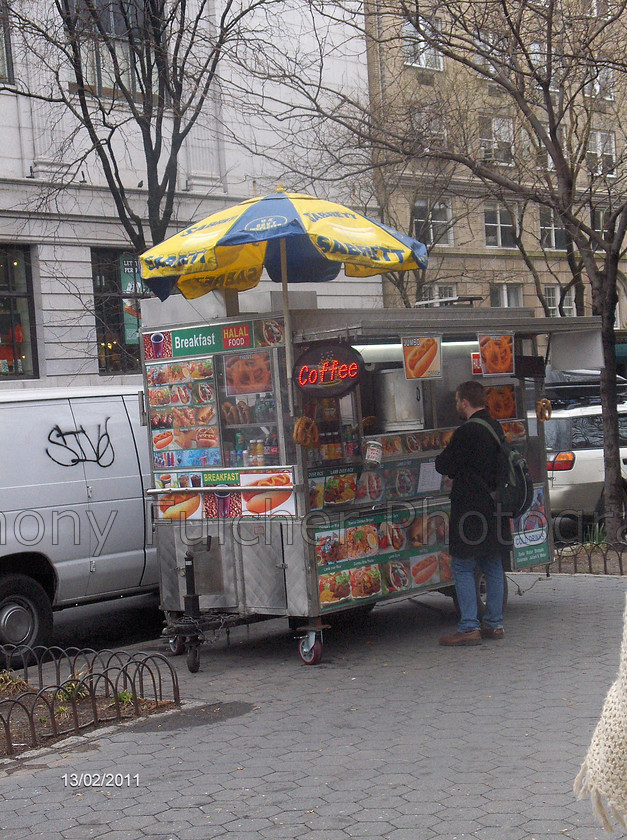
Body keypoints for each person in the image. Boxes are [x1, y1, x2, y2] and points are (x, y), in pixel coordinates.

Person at [434, 380, 512, 646]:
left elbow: (444, 464)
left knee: (462, 565)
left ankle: (469, 627)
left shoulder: (467, 432)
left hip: (470, 510)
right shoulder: (495, 426)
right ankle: (494, 624)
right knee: (493, 563)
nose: (457, 405)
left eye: (457, 401)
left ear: (464, 402)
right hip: (496, 507)